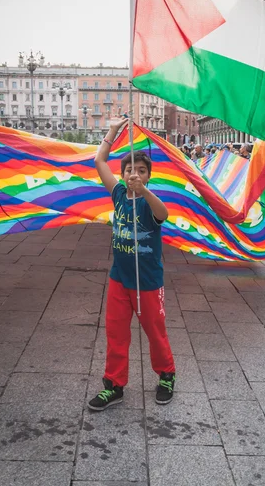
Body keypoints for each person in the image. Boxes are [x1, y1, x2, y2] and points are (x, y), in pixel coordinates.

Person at [88, 117, 175, 411]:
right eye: (129, 170)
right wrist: (113, 130)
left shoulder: (150, 203)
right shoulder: (118, 196)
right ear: (123, 174)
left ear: (148, 176)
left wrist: (145, 191)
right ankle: (114, 385)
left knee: (154, 330)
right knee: (115, 332)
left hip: (148, 282)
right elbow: (100, 161)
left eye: (140, 170)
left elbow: (163, 214)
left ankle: (166, 375)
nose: (134, 174)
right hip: (119, 279)